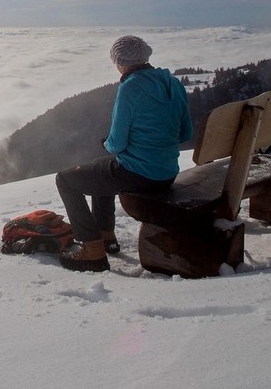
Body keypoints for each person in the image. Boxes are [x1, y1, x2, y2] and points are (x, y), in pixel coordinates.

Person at [56, 35, 193, 272]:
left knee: (65, 180)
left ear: (121, 61)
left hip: (139, 174)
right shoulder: (173, 83)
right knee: (101, 169)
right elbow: (185, 133)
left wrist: (107, 144)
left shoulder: (130, 87)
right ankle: (106, 235)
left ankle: (92, 249)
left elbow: (117, 144)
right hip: (167, 172)